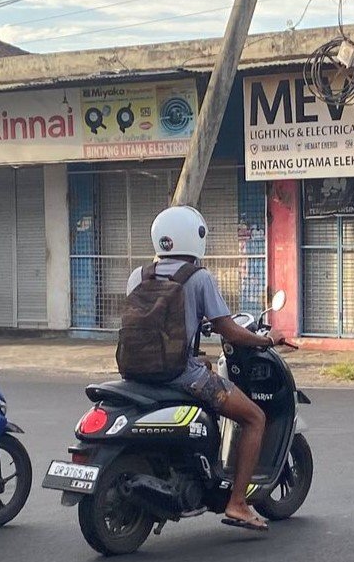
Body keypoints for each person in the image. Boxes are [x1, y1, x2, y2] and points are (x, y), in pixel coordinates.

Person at [125, 205, 293, 532]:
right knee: (254, 417)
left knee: (202, 364)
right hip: (181, 375)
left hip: (136, 372)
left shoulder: (138, 275)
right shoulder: (199, 278)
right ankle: (238, 502)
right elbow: (230, 331)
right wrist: (267, 341)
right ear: (196, 238)